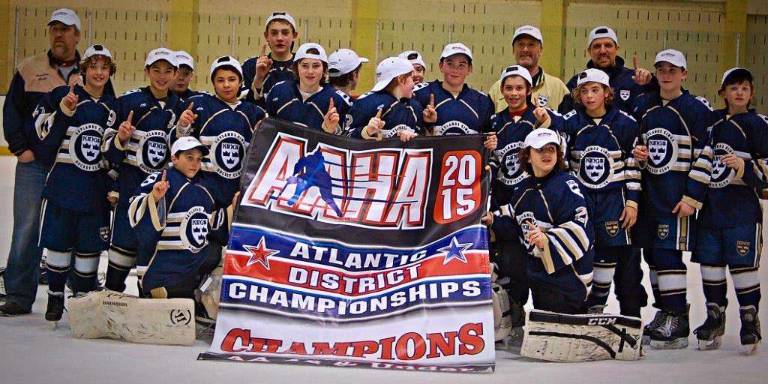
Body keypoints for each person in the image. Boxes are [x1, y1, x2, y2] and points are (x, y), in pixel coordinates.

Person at [632, 49, 717, 349]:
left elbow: (708, 154)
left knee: (668, 255)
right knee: (652, 256)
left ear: (684, 74)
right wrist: (638, 155)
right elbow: (636, 146)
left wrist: (693, 196)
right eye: (661, 69)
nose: (666, 74)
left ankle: (678, 319)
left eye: (673, 69)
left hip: (675, 198)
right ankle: (664, 311)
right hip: (648, 198)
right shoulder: (644, 106)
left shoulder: (695, 110)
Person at [1, 8, 83, 316]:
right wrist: (20, 148)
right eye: (55, 29)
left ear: (77, 35)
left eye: (66, 29)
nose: (59, 34)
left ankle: (78, 296)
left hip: (73, 168)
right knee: (26, 228)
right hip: (34, 165)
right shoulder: (28, 68)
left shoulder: (90, 72)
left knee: (73, 228)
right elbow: (12, 112)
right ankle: (19, 295)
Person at [30, 44, 118, 321]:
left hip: (94, 192)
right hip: (63, 187)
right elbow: (42, 135)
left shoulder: (113, 108)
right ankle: (55, 297)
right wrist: (63, 113)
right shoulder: (62, 96)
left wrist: (113, 184)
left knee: (89, 249)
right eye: (94, 66)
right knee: (58, 245)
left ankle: (81, 301)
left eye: (105, 68)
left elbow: (114, 156)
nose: (99, 72)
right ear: (84, 70)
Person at [486, 64, 564, 339]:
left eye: (520, 87)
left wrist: (549, 121)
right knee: (510, 263)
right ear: (502, 91)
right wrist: (489, 152)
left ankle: (548, 313)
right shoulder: (495, 122)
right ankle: (514, 313)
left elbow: (563, 138)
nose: (514, 93)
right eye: (508, 88)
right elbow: (491, 165)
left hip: (537, 200)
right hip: (506, 203)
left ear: (530, 90)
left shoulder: (541, 117)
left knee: (540, 261)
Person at [692, 67, 765, 354]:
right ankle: (714, 315)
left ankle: (749, 318)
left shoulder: (759, 124)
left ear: (751, 93)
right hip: (710, 210)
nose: (739, 92)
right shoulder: (711, 123)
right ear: (722, 92)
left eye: (744, 87)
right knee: (710, 265)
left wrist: (745, 167)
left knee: (742, 266)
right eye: (733, 87)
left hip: (741, 212)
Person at [562, 68, 646, 317]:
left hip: (613, 201)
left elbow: (633, 165)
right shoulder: (571, 122)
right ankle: (587, 305)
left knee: (610, 253)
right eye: (584, 91)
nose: (589, 96)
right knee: (584, 252)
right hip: (583, 200)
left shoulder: (625, 123)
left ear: (607, 93)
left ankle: (600, 305)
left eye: (595, 90)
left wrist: (632, 202)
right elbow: (564, 163)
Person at [485, 128, 594, 314]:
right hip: (540, 277)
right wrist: (492, 220)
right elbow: (514, 225)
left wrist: (547, 239)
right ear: (528, 156)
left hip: (568, 279)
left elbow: (582, 228)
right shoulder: (523, 190)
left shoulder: (567, 185)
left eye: (551, 149)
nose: (546, 154)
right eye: (540, 150)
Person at [103, 48, 184, 293]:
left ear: (175, 73)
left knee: (150, 254)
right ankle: (111, 301)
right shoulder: (128, 102)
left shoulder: (181, 108)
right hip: (130, 190)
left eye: (167, 71)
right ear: (147, 71)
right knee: (121, 250)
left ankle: (146, 306)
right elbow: (107, 154)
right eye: (156, 70)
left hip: (160, 195)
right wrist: (120, 138)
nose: (161, 76)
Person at [128, 137, 232, 299]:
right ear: (174, 158)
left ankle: (198, 297)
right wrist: (154, 197)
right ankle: (156, 291)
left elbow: (209, 224)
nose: (195, 163)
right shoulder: (162, 178)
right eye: (189, 157)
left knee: (219, 254)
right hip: (161, 271)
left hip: (187, 268)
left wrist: (234, 208)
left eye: (198, 159)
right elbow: (135, 213)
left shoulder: (202, 188)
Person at [174, 56, 266, 209]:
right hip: (204, 191)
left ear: (241, 81)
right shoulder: (199, 105)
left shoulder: (253, 112)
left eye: (232, 79)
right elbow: (180, 147)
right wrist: (182, 126)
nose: (226, 85)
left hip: (238, 194)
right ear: (213, 83)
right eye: (220, 80)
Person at [559, 26, 654, 115]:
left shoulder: (635, 79)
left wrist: (651, 81)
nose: (602, 51)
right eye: (597, 46)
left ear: (616, 49)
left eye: (608, 45)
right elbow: (565, 117)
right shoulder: (577, 83)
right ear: (589, 51)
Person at [265, 43, 351, 134]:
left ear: (324, 69)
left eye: (316, 66)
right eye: (305, 65)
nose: (310, 71)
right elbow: (267, 131)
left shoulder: (338, 100)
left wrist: (330, 131)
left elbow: (345, 141)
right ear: (296, 67)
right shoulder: (279, 91)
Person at [413, 43, 495, 137]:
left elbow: (489, 140)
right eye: (450, 64)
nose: (455, 70)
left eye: (461, 65)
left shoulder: (482, 101)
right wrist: (427, 124)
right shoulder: (421, 94)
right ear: (441, 66)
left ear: (470, 69)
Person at [487, 25, 569, 112]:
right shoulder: (496, 89)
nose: (525, 49)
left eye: (531, 44)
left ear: (540, 50)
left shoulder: (558, 88)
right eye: (521, 44)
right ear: (513, 49)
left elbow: (569, 124)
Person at [345, 57, 422, 141]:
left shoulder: (415, 106)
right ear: (401, 79)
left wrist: (414, 139)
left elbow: (423, 141)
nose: (414, 84)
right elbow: (345, 138)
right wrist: (366, 132)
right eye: (411, 78)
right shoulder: (366, 103)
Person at [242, 11, 299, 105]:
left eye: (285, 33)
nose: (279, 38)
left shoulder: (304, 66)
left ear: (294, 36)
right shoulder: (251, 66)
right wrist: (259, 78)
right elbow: (245, 106)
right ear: (266, 36)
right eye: (274, 33)